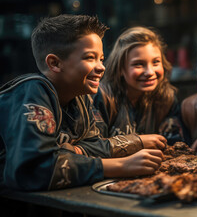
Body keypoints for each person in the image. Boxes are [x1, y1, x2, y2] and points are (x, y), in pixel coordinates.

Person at [0, 15, 163, 191]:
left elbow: (92, 146)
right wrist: (121, 165)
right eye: (90, 58)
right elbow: (34, 170)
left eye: (101, 58)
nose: (102, 67)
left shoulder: (80, 96)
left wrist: (68, 152)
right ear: (54, 63)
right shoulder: (32, 90)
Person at [93, 26, 183, 149]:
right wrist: (138, 142)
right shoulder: (102, 97)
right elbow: (93, 148)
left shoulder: (166, 98)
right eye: (138, 64)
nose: (150, 72)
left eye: (156, 62)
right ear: (120, 68)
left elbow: (174, 147)